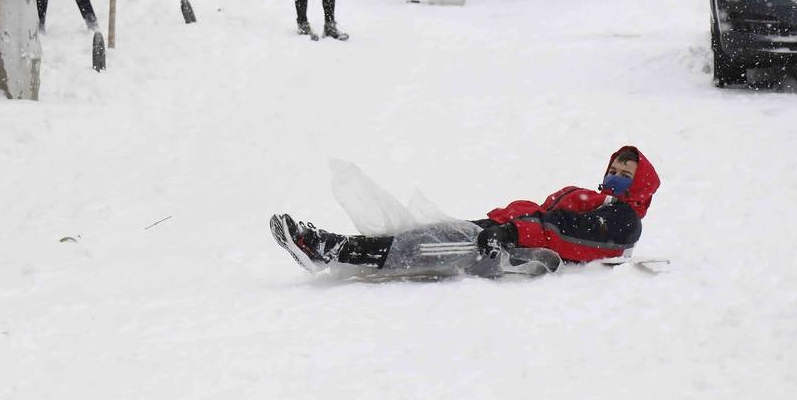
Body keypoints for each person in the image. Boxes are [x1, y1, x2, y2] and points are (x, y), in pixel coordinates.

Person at [270, 145, 661, 279]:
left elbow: (569, 237)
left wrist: (513, 235)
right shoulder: (594, 199)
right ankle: (331, 247)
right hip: (504, 233)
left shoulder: (625, 220)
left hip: (513, 252)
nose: (615, 177)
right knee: (423, 236)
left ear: (640, 185)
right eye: (613, 170)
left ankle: (327, 249)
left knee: (421, 248)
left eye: (626, 174)